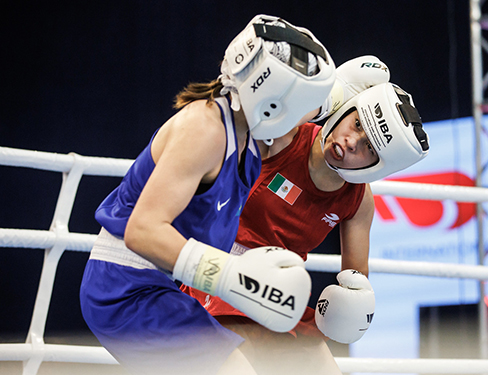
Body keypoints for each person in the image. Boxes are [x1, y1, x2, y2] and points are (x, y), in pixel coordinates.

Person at [79, 14, 336, 375]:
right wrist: (231, 276)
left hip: (162, 287)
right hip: (126, 287)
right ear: (276, 101)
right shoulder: (205, 129)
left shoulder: (247, 142)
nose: (311, 116)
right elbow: (142, 230)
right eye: (308, 104)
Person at [181, 56, 430, 375]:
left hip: (278, 293)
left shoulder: (358, 200)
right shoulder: (286, 134)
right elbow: (235, 103)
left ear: (378, 163)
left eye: (368, 146)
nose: (350, 142)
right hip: (221, 272)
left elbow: (355, 281)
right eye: (356, 124)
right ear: (347, 108)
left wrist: (351, 309)